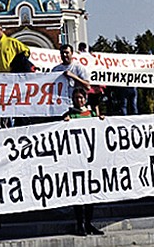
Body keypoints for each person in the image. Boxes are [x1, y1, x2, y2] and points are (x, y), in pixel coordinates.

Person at [63, 87, 105, 235]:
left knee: (90, 193)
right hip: (75, 160)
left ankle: (88, 223)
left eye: (81, 98)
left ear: (85, 99)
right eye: (76, 98)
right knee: (79, 193)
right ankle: (79, 223)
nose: (79, 100)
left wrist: (101, 121)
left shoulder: (91, 114)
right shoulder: (70, 115)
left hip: (90, 159)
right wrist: (65, 122)